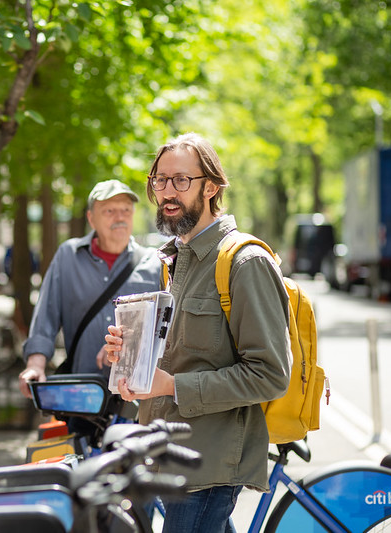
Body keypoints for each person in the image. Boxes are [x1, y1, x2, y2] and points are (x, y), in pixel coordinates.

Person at [105, 133, 291, 533]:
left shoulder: (245, 262)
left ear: (211, 187)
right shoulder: (175, 259)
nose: (167, 192)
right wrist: (131, 360)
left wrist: (172, 386)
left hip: (210, 464)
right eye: (159, 180)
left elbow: (271, 375)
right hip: (171, 454)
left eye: (180, 181)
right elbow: (183, 353)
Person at [18, 179, 161, 395]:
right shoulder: (68, 256)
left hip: (137, 396)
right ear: (91, 218)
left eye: (125, 210)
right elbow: (45, 317)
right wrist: (35, 365)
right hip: (81, 392)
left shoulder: (154, 263)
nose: (120, 217)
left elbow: (164, 329)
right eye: (110, 211)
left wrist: (124, 347)